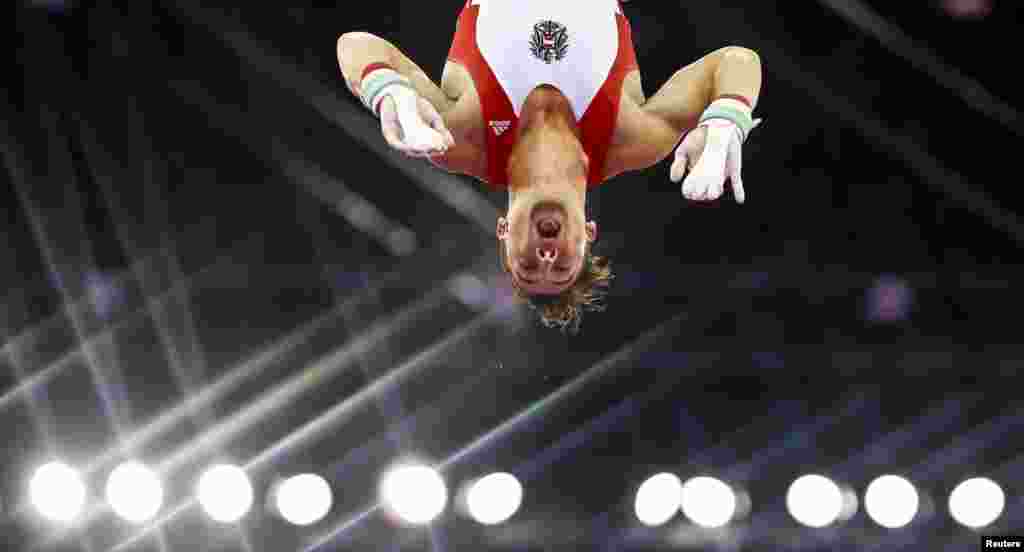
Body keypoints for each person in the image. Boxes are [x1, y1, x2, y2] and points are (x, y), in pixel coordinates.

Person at [337, 0, 762, 333]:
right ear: (588, 236)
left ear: (503, 231)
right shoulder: (632, 139)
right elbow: (736, 60)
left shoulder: (459, 141)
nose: (545, 256)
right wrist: (726, 118)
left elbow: (355, 43)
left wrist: (387, 90)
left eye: (527, 266)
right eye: (561, 267)